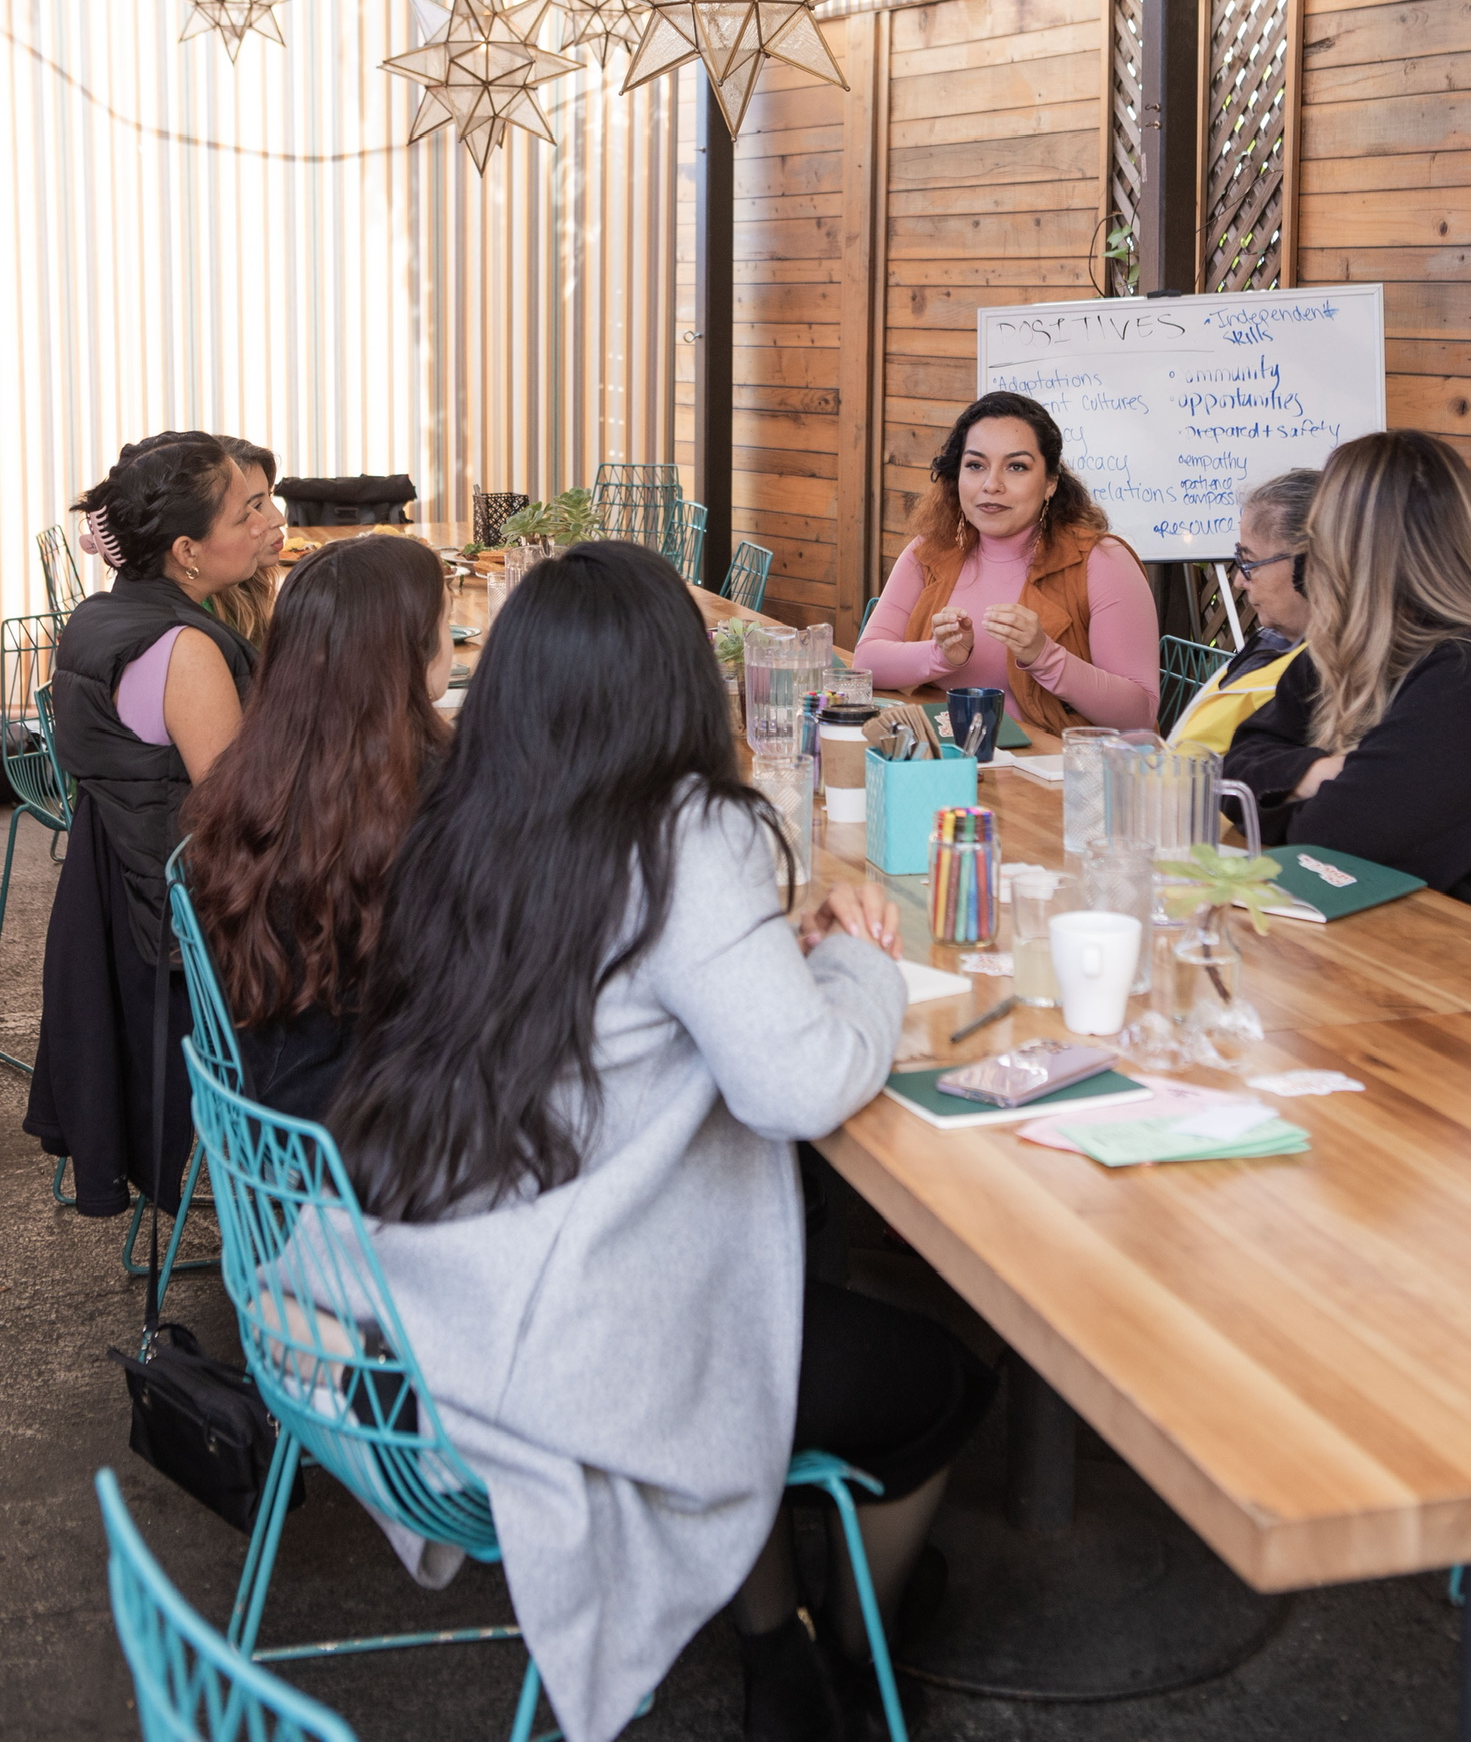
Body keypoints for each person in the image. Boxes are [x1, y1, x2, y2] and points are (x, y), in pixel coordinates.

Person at [326, 542, 992, 1742]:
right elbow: (798, 1084)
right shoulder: (686, 833)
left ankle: (766, 1638)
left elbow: (616, 992)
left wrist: (759, 957)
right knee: (940, 1380)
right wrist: (856, 960)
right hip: (576, 1344)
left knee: (790, 1275)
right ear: (683, 684)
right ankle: (852, 1642)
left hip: (426, 1293)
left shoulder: (469, 814)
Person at [24, 433, 269, 1214]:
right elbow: (243, 818)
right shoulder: (187, 647)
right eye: (249, 508)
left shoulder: (102, 619)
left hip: (118, 908)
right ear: (189, 551)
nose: (267, 520)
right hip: (180, 936)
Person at [181, 536, 453, 1121]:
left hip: (275, 1107)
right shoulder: (435, 796)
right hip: (386, 1133)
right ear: (412, 648)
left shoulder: (247, 773)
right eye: (446, 626)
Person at [1223, 431, 1471, 929]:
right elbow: (1235, 769)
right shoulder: (1348, 647)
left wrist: (1290, 794)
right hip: (1403, 937)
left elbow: (1336, 841)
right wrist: (1323, 774)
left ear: (1346, 547)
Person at [855, 392, 1158, 732]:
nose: (991, 485)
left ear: (1050, 483)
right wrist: (940, 656)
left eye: (1016, 467)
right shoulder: (928, 550)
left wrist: (1045, 656)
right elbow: (866, 661)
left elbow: (1139, 715)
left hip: (1063, 773)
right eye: (975, 465)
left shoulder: (1104, 562)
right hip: (950, 758)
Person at [1167, 468, 1318, 754]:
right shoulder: (1274, 643)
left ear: (1309, 565)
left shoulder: (1326, 679)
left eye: (1248, 561)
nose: (1239, 579)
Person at [209, 435, 286, 648]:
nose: (279, 519)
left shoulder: (252, 583)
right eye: (255, 506)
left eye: (269, 497)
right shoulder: (200, 625)